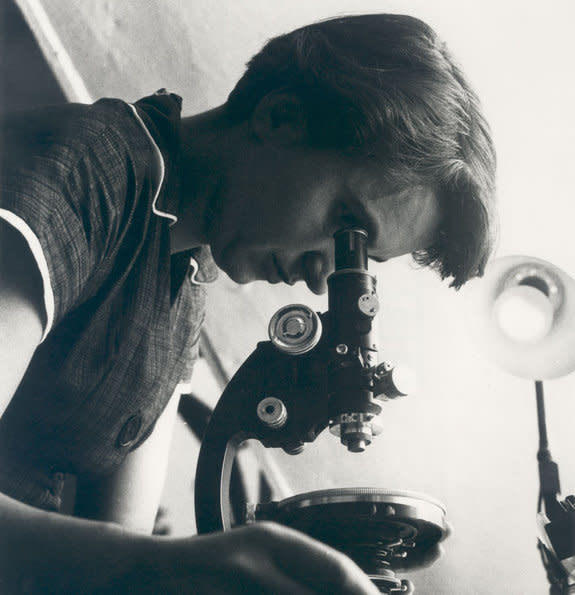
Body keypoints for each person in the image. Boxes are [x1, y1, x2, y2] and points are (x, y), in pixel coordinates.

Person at [0, 12, 496, 594]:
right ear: (279, 117)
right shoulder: (86, 171)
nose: (323, 277)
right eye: (346, 225)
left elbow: (117, 551)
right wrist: (180, 566)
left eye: (361, 261)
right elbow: (134, 563)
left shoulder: (183, 285)